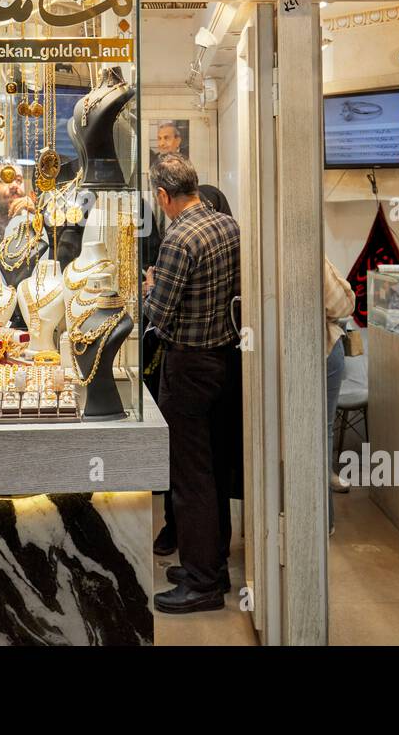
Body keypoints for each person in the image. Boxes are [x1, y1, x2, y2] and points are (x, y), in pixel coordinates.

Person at [142, 153, 241, 614]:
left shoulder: (179, 238)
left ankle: (201, 582)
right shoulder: (227, 225)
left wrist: (149, 288)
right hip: (224, 360)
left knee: (190, 478)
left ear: (163, 196)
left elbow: (158, 315)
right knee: (215, 471)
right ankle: (212, 564)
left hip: (187, 369)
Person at [324, 258, 355, 531]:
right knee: (322, 433)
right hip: (323, 347)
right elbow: (342, 304)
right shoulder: (312, 254)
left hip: (313, 349)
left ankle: (319, 522)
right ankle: (323, 523)